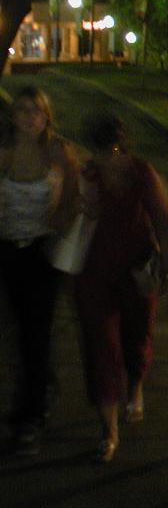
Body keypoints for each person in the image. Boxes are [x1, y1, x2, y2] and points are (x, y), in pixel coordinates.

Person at [73, 113, 168, 463]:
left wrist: (167, 266)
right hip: (95, 273)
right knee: (101, 348)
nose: (110, 158)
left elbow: (164, 219)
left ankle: (136, 387)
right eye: (103, 150)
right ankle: (109, 430)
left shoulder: (142, 173)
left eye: (115, 149)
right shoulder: (86, 176)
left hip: (136, 270)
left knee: (138, 336)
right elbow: (63, 216)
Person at [0, 85, 79, 455]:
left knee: (36, 333)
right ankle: (35, 390)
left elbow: (74, 198)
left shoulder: (58, 152)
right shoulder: (5, 152)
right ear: (12, 116)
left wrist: (58, 231)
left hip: (41, 252)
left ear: (46, 117)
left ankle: (31, 414)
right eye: (22, 110)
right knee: (13, 332)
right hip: (6, 249)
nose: (29, 117)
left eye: (36, 111)